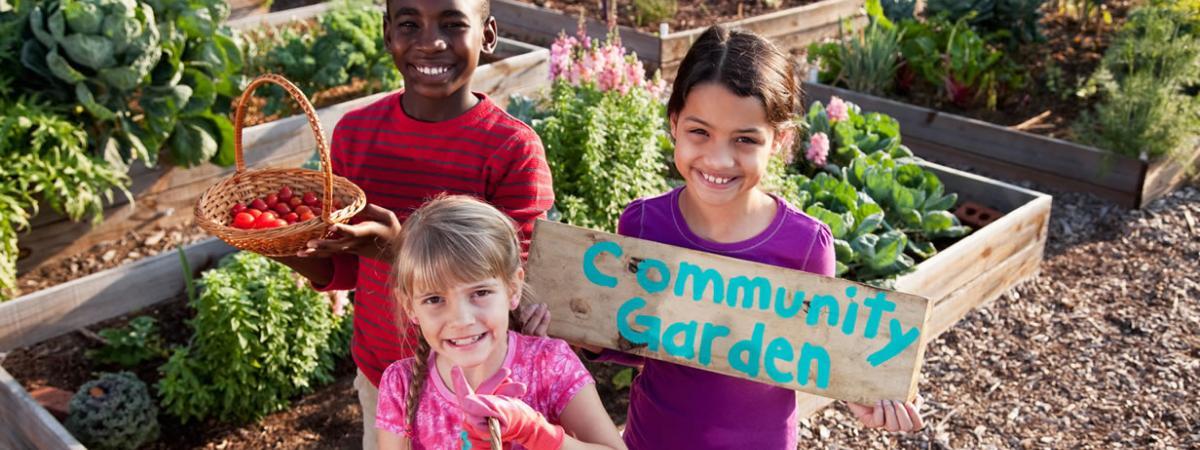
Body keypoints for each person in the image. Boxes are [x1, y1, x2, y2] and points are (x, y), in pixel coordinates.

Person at [587, 25, 925, 449]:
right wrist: (586, 333)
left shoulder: (805, 246)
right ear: (674, 123)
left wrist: (858, 393)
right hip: (652, 438)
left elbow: (813, 353)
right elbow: (638, 336)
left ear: (779, 141)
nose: (719, 158)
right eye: (699, 132)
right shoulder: (643, 223)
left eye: (745, 139)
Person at [270, 0, 554, 447]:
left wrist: (394, 248)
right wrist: (283, 245)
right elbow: (344, 272)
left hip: (482, 387)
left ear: (488, 35)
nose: (431, 41)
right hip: (383, 380)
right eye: (409, 23)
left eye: (452, 23)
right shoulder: (356, 135)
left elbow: (508, 285)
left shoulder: (510, 149)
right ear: (388, 34)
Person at [376, 195, 626, 450]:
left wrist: (535, 431)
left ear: (513, 288)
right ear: (410, 306)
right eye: (434, 299)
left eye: (480, 293)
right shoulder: (400, 385)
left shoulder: (550, 365)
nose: (461, 319)